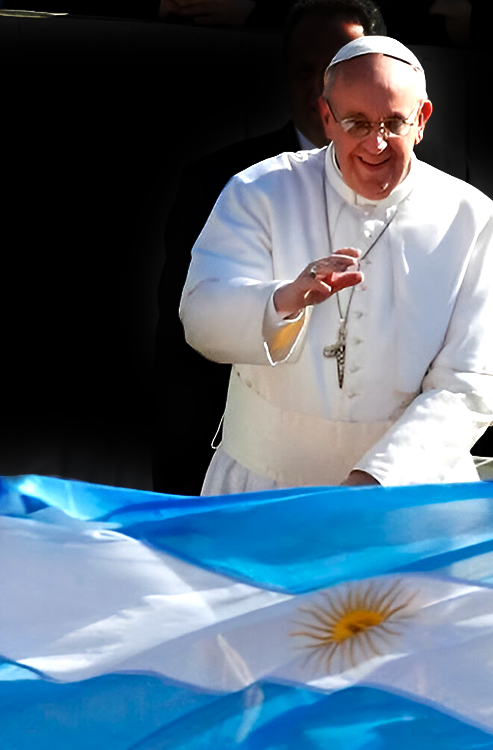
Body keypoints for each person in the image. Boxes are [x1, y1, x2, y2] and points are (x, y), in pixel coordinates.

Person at [179, 35, 493, 492]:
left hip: (407, 495)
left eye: (393, 123)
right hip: (264, 490)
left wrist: (375, 481)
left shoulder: (476, 224)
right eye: (356, 123)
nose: (376, 143)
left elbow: (466, 387)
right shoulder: (260, 192)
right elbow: (201, 316)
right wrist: (281, 302)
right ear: (326, 118)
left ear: (422, 119)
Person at [153, 0, 385, 495]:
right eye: (305, 70)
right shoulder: (220, 181)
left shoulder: (443, 189)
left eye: (336, 69)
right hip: (255, 470)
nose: (320, 87)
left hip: (379, 472)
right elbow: (185, 346)